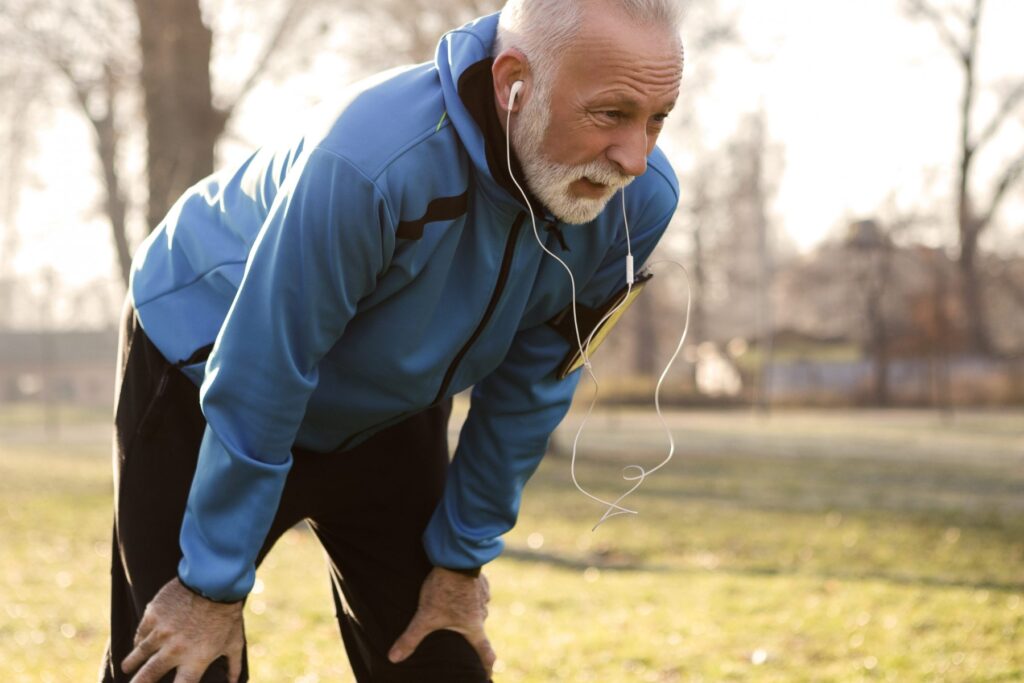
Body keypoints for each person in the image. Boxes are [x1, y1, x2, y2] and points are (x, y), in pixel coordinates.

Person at [102, 0, 684, 680]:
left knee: (439, 657)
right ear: (512, 82)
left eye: (657, 118)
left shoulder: (635, 203)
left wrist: (461, 557)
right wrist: (209, 584)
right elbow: (266, 367)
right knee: (179, 665)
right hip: (209, 377)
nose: (635, 157)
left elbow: (531, 386)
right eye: (610, 114)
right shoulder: (371, 161)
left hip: (388, 413)